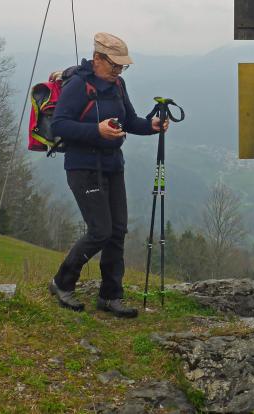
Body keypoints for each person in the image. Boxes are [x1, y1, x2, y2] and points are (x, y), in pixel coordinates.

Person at [47, 31, 167, 318]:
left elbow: (130, 120)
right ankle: (62, 282)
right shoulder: (78, 85)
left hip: (113, 165)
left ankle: (111, 295)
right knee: (100, 231)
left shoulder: (119, 86)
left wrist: (151, 126)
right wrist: (95, 130)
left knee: (117, 232)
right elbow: (60, 125)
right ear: (98, 59)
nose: (117, 71)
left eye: (121, 66)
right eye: (113, 65)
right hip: (82, 167)